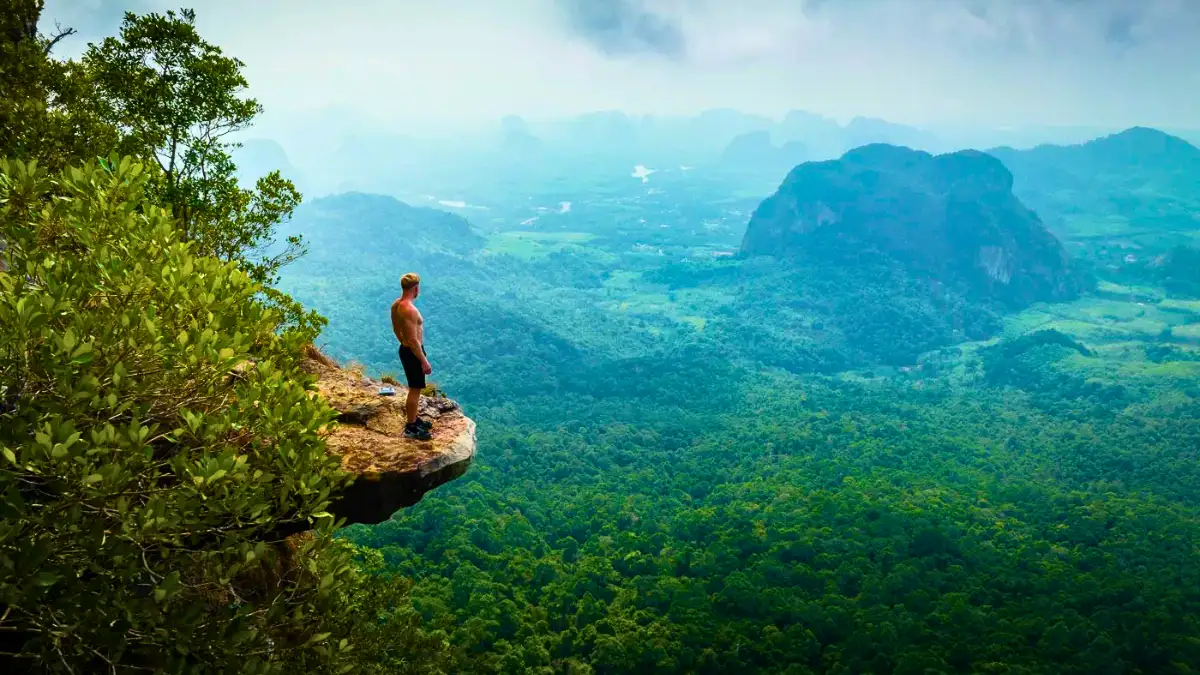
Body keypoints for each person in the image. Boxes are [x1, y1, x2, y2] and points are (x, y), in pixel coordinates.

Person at [390, 272, 434, 441]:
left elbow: (396, 329)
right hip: (413, 352)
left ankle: (414, 420)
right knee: (415, 390)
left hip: (407, 349)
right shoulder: (409, 309)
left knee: (415, 388)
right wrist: (424, 360)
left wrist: (403, 342)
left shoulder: (397, 305)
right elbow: (413, 340)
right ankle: (411, 428)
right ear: (416, 288)